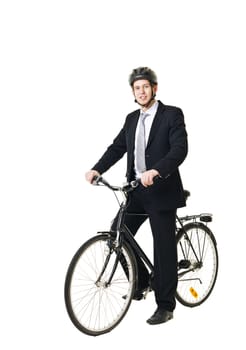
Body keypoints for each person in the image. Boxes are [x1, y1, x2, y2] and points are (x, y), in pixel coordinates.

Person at [85, 67, 188, 325]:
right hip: (137, 190)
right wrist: (97, 168)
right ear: (133, 91)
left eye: (145, 86)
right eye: (136, 88)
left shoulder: (172, 114)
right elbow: (118, 147)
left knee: (162, 247)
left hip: (162, 189)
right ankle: (141, 283)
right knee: (117, 234)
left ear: (155, 88)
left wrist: (157, 170)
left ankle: (165, 305)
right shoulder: (132, 118)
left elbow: (180, 149)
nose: (141, 91)